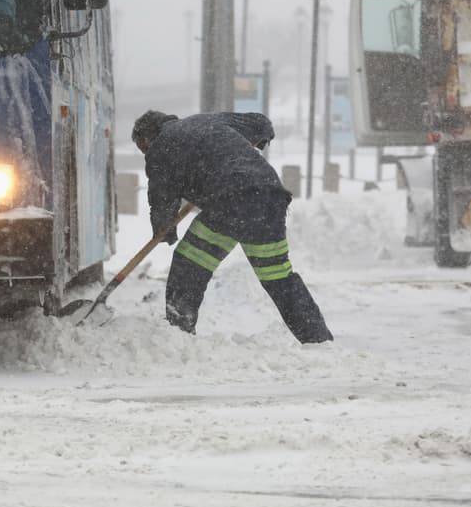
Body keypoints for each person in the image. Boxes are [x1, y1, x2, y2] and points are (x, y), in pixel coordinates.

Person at [131, 110, 333, 344]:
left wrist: (164, 230)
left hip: (229, 203)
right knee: (278, 277)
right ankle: (318, 339)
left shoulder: (160, 148)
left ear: (147, 137)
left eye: (142, 147)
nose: (145, 153)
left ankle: (178, 336)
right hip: (270, 198)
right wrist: (250, 144)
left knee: (189, 266)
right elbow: (260, 122)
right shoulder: (209, 120)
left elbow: (162, 198)